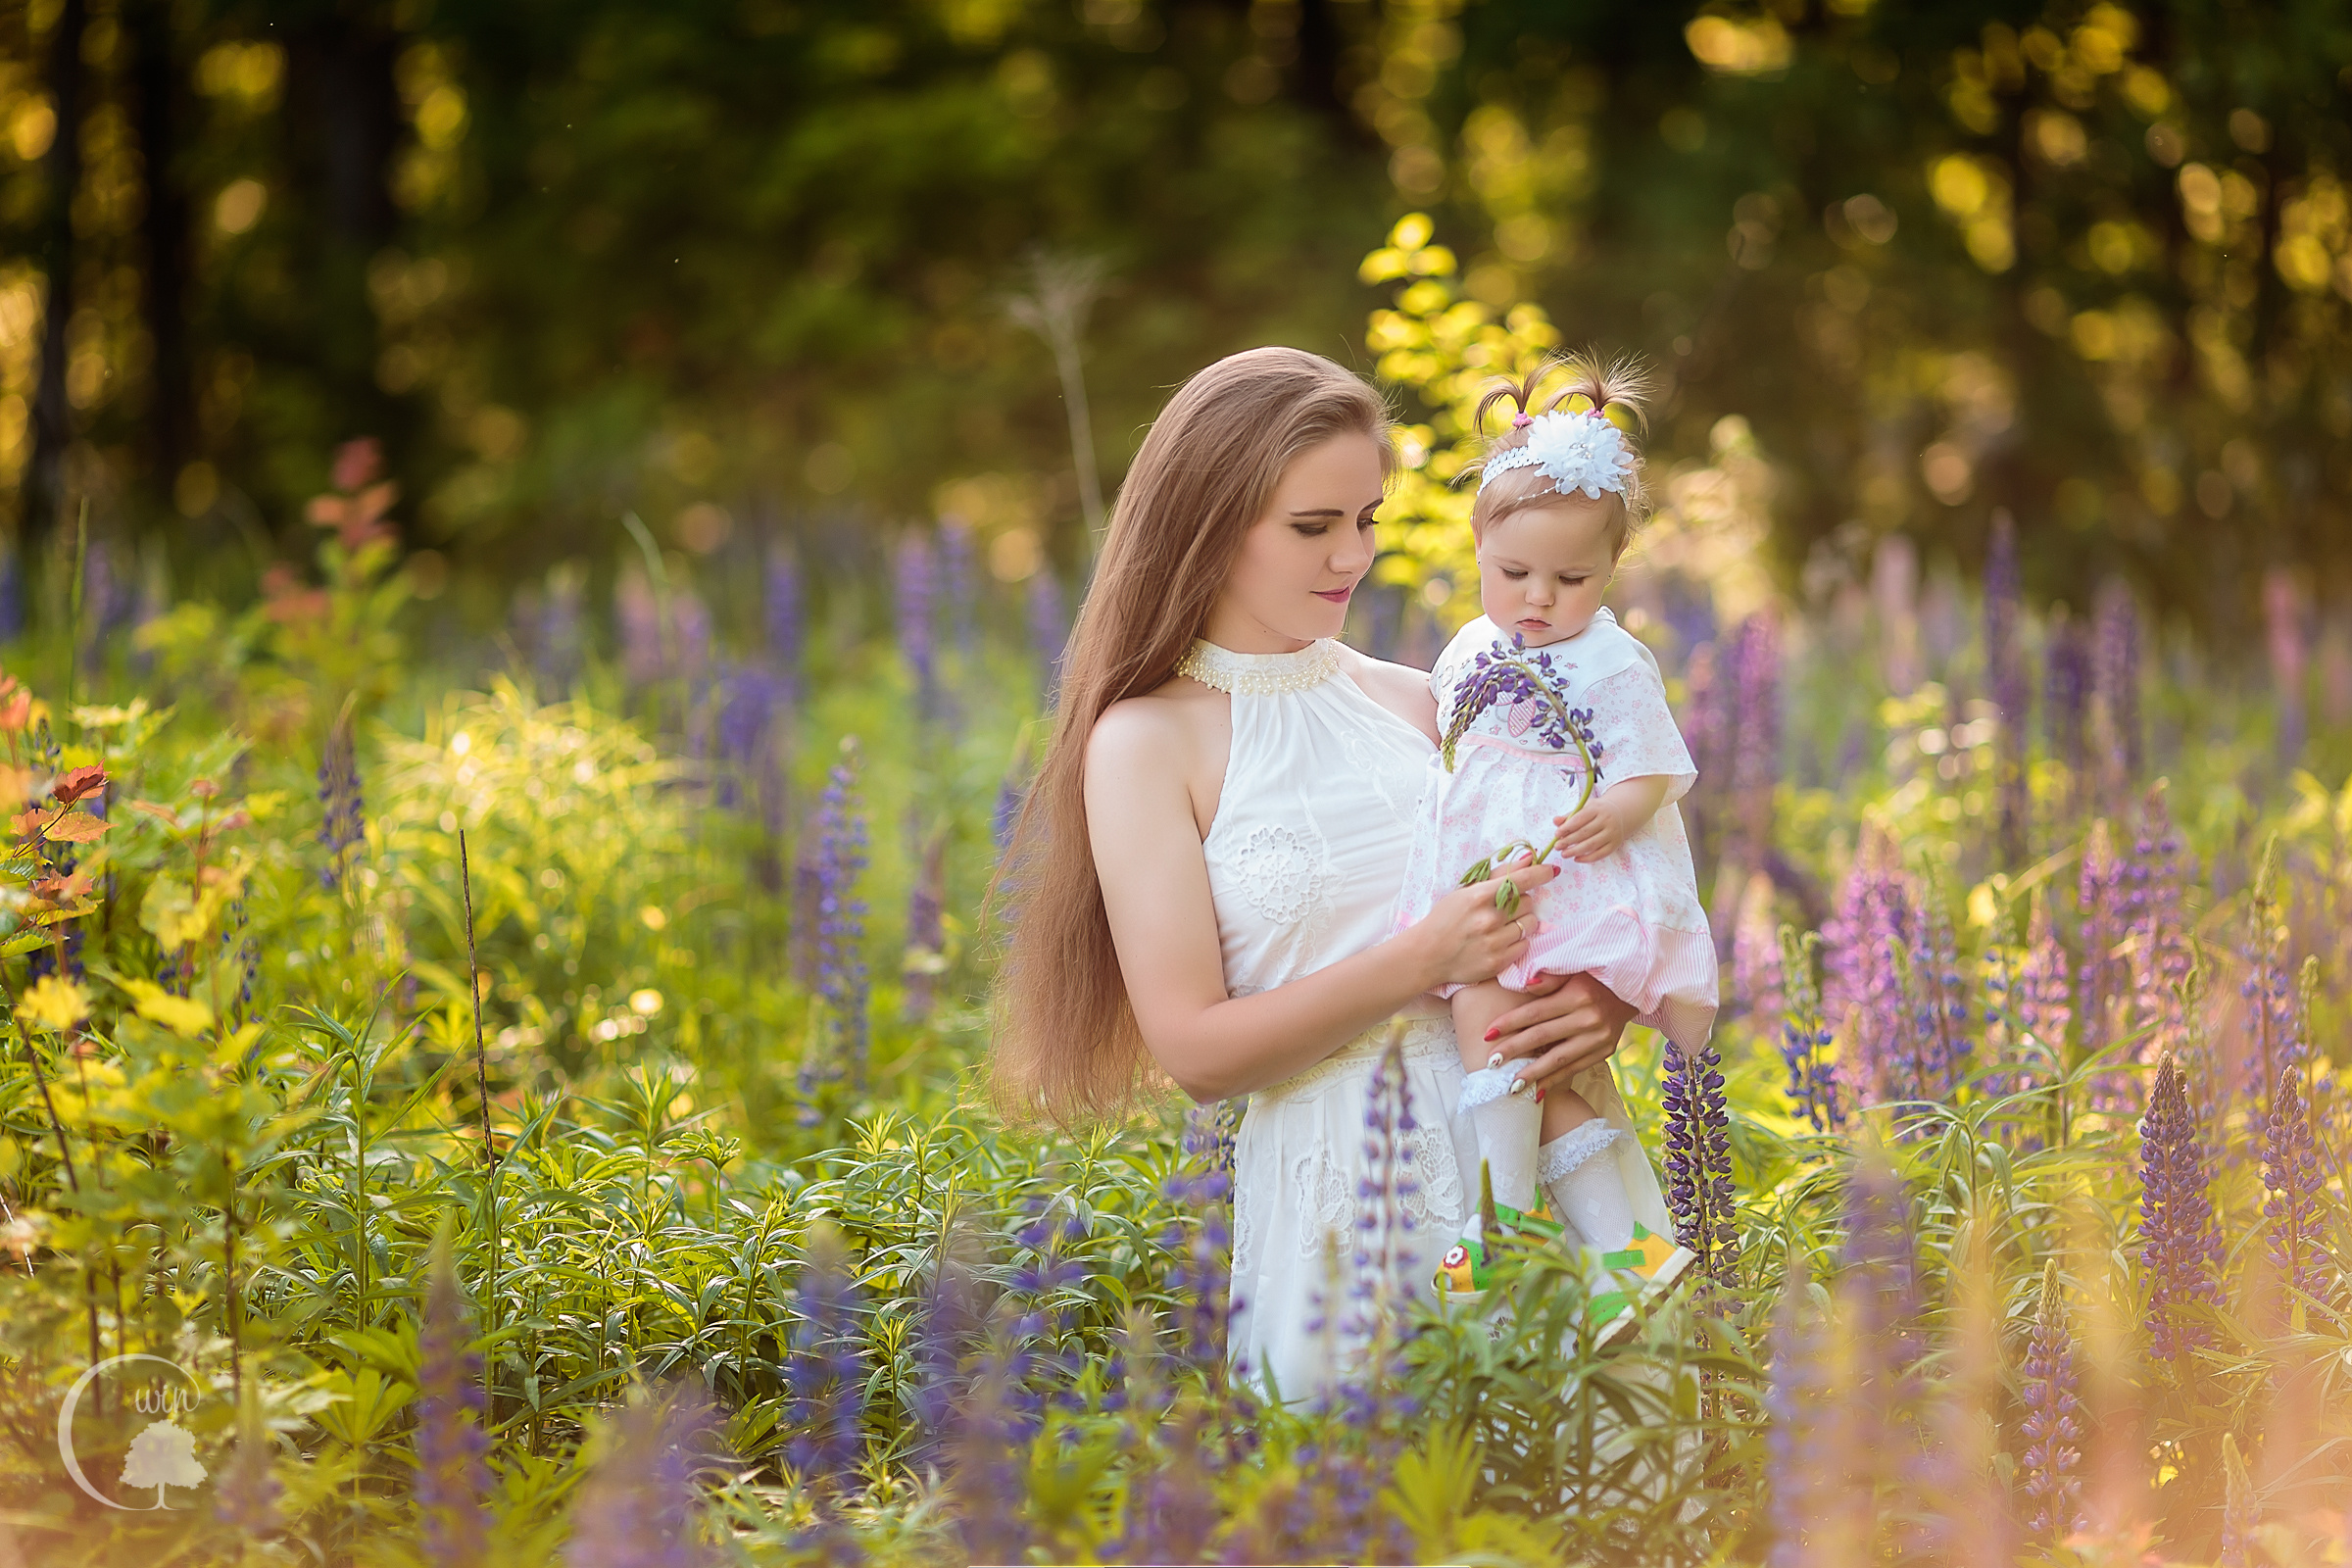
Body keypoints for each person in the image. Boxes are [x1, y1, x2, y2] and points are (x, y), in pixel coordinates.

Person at [988, 345, 1640, 1401]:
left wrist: (1597, 1001)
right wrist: (1416, 959)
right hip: (1343, 1215)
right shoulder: (1146, 741)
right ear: (1207, 524)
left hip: (1532, 1173)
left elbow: (1565, 899)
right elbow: (1196, 1049)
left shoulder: (1423, 698)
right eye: (1313, 525)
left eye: (1369, 518)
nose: (1354, 554)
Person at [1389, 355, 1716, 1298]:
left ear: (1611, 570)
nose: (1538, 597)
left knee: (1501, 1034)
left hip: (1564, 894)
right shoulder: (1469, 647)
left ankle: (1494, 1221)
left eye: (1570, 577)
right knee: (1540, 1073)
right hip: (1492, 885)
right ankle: (1638, 1260)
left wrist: (1620, 806)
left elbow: (1657, 763)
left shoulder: (1613, 660)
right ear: (1478, 552)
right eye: (1513, 572)